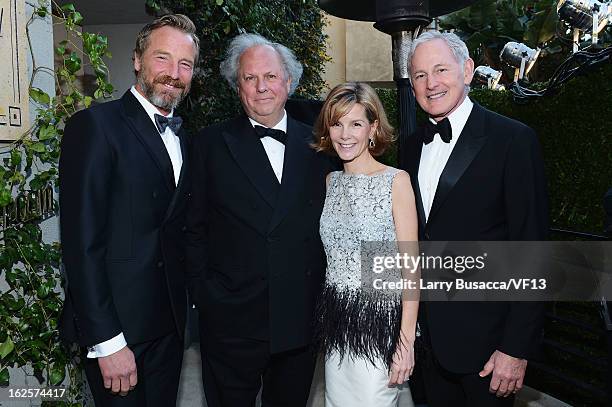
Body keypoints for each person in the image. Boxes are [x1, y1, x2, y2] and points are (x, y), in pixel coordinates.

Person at [186, 33, 333, 407]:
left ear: (289, 82)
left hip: (299, 320)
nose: (261, 87)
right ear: (238, 87)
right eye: (250, 78)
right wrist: (209, 296)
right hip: (231, 323)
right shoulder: (208, 144)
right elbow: (190, 228)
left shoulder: (321, 145)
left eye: (270, 76)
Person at [59, 14, 199, 406]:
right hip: (119, 334)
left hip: (169, 328)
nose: (173, 73)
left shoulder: (184, 136)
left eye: (184, 64)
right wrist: (106, 342)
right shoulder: (95, 127)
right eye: (162, 58)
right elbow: (80, 244)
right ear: (137, 60)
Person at [403, 31, 548, 407]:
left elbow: (533, 250)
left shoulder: (513, 140)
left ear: (466, 70)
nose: (430, 83)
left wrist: (515, 349)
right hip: (426, 346)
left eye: (440, 69)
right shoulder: (409, 147)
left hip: (488, 351)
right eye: (419, 75)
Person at [312, 82, 419, 406]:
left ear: (373, 128)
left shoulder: (396, 181)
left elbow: (410, 271)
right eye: (337, 123)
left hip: (380, 329)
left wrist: (405, 344)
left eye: (356, 123)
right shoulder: (331, 182)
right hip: (338, 327)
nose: (345, 134)